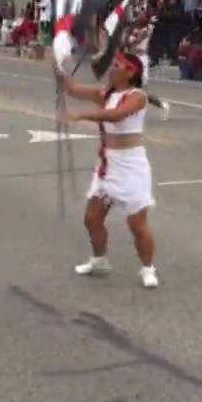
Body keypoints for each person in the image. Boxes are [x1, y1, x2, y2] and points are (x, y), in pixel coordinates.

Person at [59, 51, 160, 289]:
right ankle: (99, 260)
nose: (111, 69)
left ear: (131, 72)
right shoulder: (105, 93)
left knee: (137, 224)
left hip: (131, 167)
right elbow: (72, 89)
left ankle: (148, 268)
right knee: (92, 218)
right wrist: (60, 67)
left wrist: (82, 114)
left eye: (117, 65)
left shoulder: (138, 96)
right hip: (107, 164)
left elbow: (117, 115)